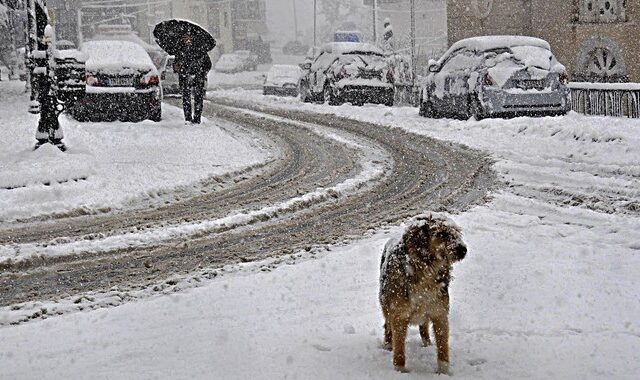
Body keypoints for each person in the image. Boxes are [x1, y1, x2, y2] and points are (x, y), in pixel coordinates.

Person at [173, 33, 212, 124]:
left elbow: (208, 64)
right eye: (185, 38)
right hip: (185, 78)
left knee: (198, 98)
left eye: (189, 38)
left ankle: (197, 119)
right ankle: (188, 118)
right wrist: (177, 67)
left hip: (198, 78)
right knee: (186, 98)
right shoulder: (180, 51)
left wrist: (202, 73)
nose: (187, 40)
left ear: (192, 38)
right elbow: (176, 65)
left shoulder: (200, 50)